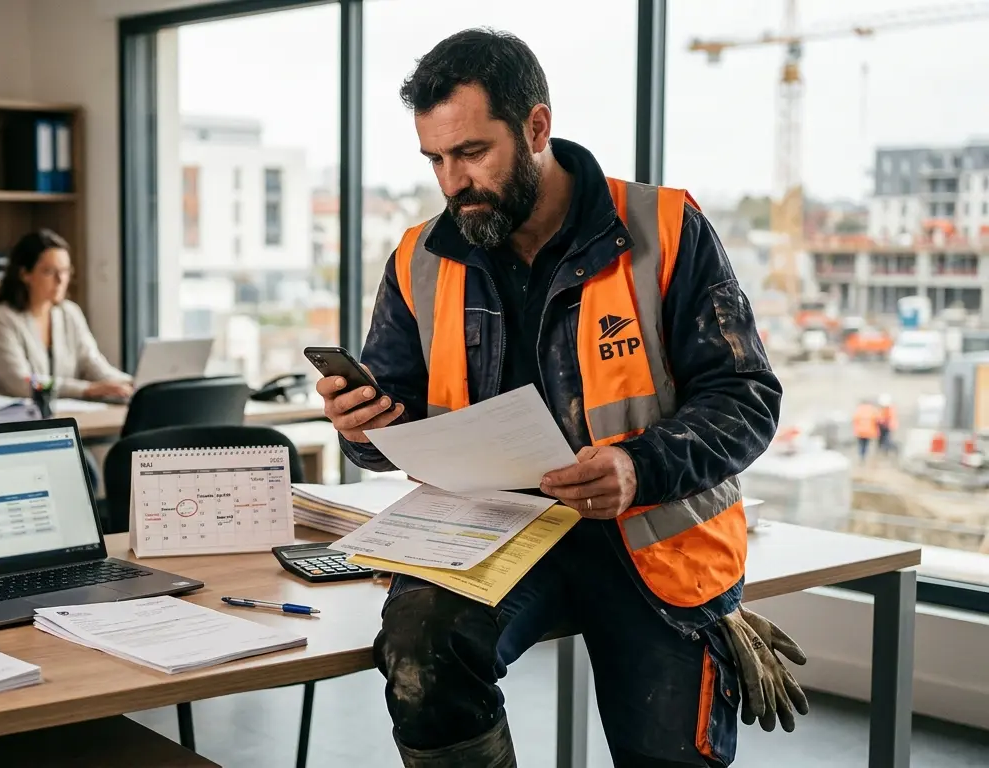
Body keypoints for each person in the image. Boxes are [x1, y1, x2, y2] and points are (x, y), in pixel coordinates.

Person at [319, 29, 806, 768]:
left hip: (652, 541)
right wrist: (364, 425)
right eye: (436, 160)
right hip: (493, 533)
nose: (453, 182)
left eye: (473, 152)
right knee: (420, 652)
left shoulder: (665, 229)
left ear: (536, 128)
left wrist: (638, 466)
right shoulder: (419, 258)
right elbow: (396, 416)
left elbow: (745, 398)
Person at [0, 229, 133, 402]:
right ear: (25, 274)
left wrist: (129, 383)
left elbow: (93, 364)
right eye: (49, 272)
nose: (60, 280)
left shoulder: (70, 313)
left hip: (61, 415)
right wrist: (88, 389)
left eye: (65, 271)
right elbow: (21, 383)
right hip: (9, 420)